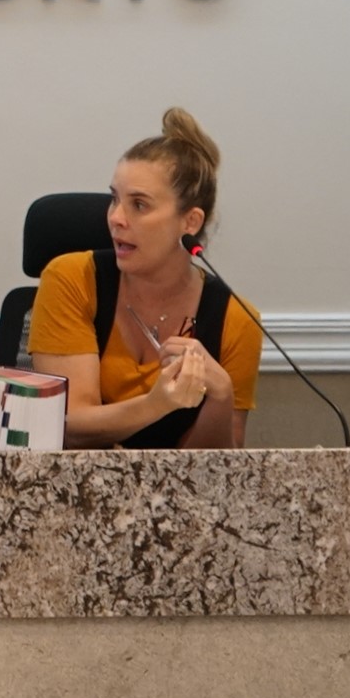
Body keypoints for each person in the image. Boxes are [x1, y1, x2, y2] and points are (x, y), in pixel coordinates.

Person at [26, 108, 260, 450]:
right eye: (115, 199)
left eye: (139, 205)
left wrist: (220, 396)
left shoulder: (236, 319)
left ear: (190, 222)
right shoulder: (71, 279)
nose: (116, 218)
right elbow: (67, 425)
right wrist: (157, 404)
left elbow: (221, 475)